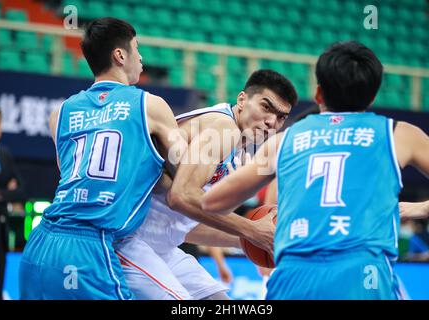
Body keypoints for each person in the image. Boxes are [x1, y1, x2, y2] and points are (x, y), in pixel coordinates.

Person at [202, 41, 429, 299]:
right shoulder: (401, 135)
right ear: (373, 96)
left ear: (319, 93)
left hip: (293, 281)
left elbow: (210, 203)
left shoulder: (283, 141)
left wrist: (254, 228)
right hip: (364, 278)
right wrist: (424, 207)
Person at [19, 18, 187, 299]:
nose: (141, 57)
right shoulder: (150, 104)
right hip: (89, 247)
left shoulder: (60, 113)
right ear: (120, 56)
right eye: (137, 48)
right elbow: (187, 169)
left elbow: (71, 173)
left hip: (40, 244)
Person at [115, 70, 298, 299]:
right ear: (242, 100)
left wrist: (255, 241)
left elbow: (186, 229)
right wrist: (251, 229)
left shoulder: (240, 153)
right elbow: (180, 196)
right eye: (266, 107)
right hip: (127, 239)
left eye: (281, 117)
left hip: (161, 247)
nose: (272, 121)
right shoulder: (224, 127)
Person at [0, 105, 26, 300]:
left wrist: (1, 194)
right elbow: (13, 190)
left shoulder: (4, 155)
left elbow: (22, 190)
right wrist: (9, 190)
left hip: (0, 230)